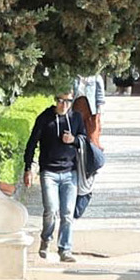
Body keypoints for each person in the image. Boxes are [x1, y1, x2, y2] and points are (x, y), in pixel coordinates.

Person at [22, 85, 99, 262]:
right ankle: (46, 239)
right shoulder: (45, 119)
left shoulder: (76, 118)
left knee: (67, 213)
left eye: (68, 101)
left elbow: (84, 140)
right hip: (49, 172)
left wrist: (73, 140)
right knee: (51, 209)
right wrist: (28, 168)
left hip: (70, 172)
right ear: (55, 100)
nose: (64, 105)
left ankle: (65, 249)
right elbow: (32, 143)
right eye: (60, 101)